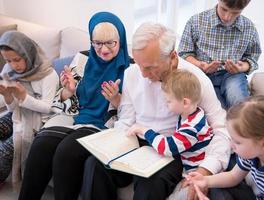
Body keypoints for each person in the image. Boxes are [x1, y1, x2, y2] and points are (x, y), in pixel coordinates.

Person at [83, 22, 231, 200]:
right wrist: (112, 145)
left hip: (172, 149)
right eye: (139, 65)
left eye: (150, 67)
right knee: (94, 165)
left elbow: (222, 129)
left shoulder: (196, 79)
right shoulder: (132, 73)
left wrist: (206, 169)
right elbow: (126, 119)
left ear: (172, 56)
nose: (143, 74)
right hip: (136, 142)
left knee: (150, 183)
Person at [18, 11, 130, 200]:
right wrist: (67, 91)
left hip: (103, 126)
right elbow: (62, 102)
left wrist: (117, 101)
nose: (103, 50)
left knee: (66, 153)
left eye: (110, 43)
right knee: (41, 145)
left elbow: (131, 115)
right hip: (74, 117)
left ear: (121, 40)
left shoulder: (130, 69)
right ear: (92, 42)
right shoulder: (82, 58)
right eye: (98, 43)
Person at [187, 96, 264, 200]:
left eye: (238, 142)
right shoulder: (253, 152)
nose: (231, 145)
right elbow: (233, 177)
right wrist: (206, 180)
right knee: (215, 187)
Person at [178, 0, 261, 109]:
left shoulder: (249, 28)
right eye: (224, 9)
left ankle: (246, 123)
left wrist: (241, 67)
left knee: (240, 104)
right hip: (204, 76)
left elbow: (252, 58)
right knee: (218, 111)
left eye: (235, 13)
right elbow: (184, 53)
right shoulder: (196, 21)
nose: (227, 17)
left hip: (233, 76)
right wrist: (200, 65)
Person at [0, 30, 59, 184]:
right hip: (18, 114)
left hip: (38, 120)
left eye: (17, 59)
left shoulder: (48, 74)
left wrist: (23, 96)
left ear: (27, 53)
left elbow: (48, 108)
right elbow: (12, 109)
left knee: (8, 148)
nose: (13, 65)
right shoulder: (8, 71)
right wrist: (7, 96)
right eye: (8, 60)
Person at [127, 69, 213, 172]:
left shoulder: (191, 127)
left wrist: (143, 130)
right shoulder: (195, 113)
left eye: (169, 101)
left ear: (185, 102)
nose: (166, 104)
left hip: (196, 171)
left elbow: (166, 147)